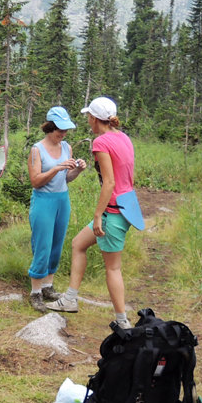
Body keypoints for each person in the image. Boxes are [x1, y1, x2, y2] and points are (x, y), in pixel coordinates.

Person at [47, 97, 137, 328]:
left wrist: (99, 215)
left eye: (89, 116)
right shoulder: (124, 138)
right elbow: (128, 177)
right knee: (78, 244)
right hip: (126, 207)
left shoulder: (101, 142)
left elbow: (109, 182)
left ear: (95, 119)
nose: (87, 119)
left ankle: (123, 322)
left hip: (113, 212)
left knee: (113, 268)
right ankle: (69, 298)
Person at [26, 106, 86, 311]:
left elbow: (66, 178)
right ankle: (35, 293)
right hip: (44, 201)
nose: (63, 133)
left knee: (56, 244)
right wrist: (55, 168)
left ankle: (48, 287)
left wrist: (76, 170)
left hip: (62, 199)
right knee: (42, 244)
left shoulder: (66, 147)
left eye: (65, 130)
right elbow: (35, 181)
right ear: (49, 127)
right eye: (60, 129)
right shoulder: (37, 150)